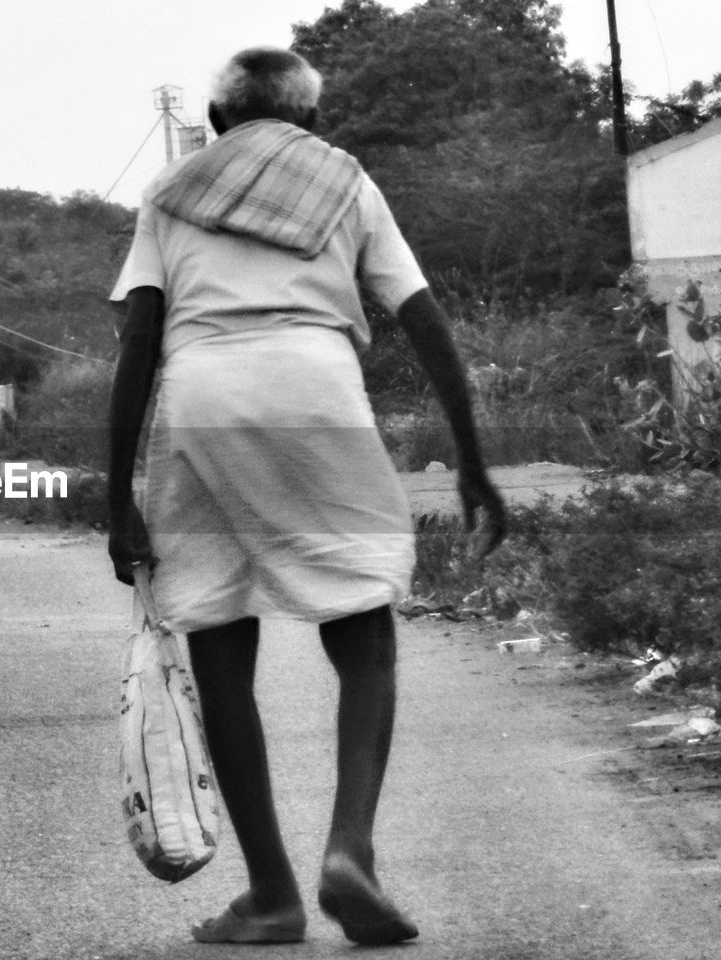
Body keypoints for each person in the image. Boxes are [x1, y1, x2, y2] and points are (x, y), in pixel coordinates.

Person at [107, 46, 505, 946]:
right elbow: (424, 320)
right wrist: (473, 462)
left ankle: (274, 895)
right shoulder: (345, 183)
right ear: (311, 122)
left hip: (202, 400)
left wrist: (115, 495)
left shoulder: (171, 194)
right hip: (316, 392)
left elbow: (139, 339)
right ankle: (349, 851)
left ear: (215, 121)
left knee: (215, 631)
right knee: (363, 629)